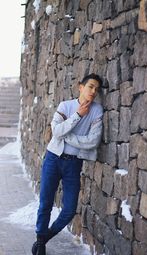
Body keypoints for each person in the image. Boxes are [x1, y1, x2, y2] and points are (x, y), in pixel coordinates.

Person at [32, 73, 103, 255]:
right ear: (81, 87)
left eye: (96, 89)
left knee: (70, 209)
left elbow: (93, 141)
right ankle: (40, 242)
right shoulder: (66, 106)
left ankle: (45, 237)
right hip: (53, 158)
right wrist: (78, 116)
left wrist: (67, 137)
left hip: (73, 163)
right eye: (90, 87)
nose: (93, 91)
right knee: (46, 202)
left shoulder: (97, 111)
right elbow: (56, 131)